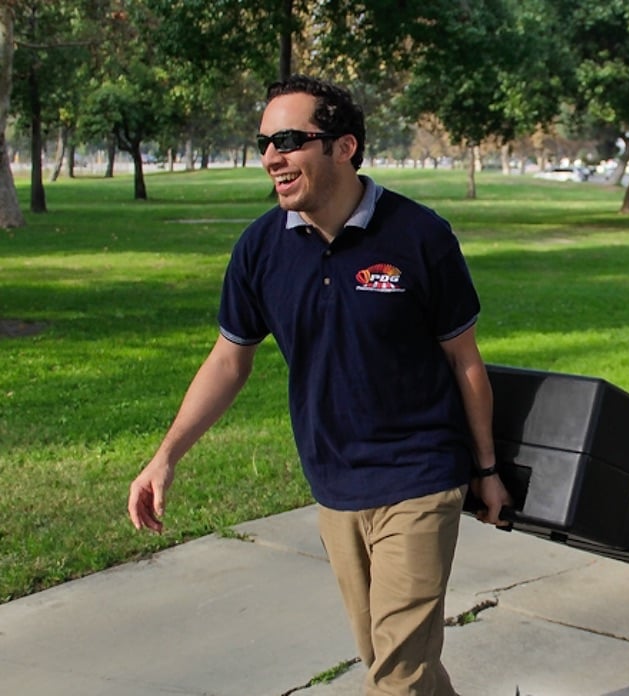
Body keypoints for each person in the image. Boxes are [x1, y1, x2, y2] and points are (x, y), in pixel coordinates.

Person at [127, 74, 511, 695]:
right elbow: (229, 360)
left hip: (419, 475)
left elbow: (465, 360)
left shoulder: (419, 236)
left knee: (397, 678)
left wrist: (486, 468)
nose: (272, 157)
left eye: (288, 139)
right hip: (334, 483)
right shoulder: (259, 249)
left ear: (343, 146)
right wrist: (164, 458)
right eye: (263, 144)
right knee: (387, 658)